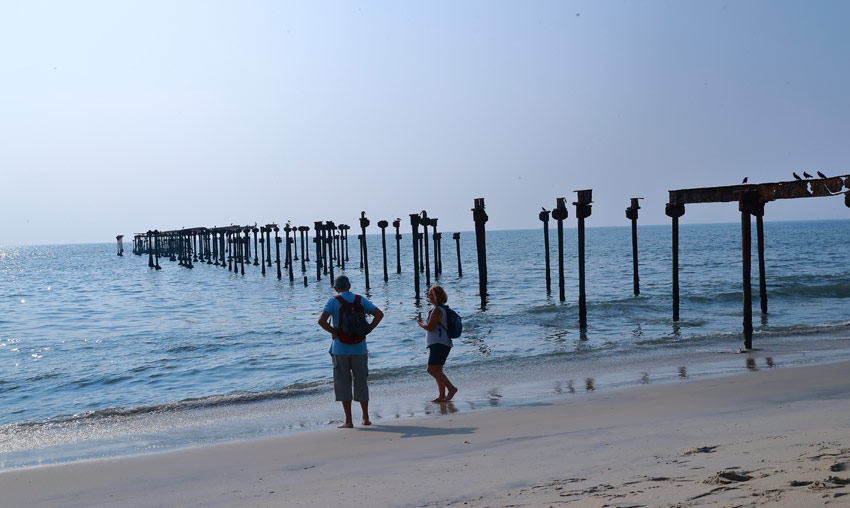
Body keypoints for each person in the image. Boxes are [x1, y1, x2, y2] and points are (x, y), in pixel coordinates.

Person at [318, 275, 383, 428]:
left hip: (340, 349)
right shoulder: (360, 300)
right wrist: (367, 330)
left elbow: (321, 321)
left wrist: (335, 331)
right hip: (360, 348)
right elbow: (379, 314)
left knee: (343, 383)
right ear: (350, 285)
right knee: (361, 381)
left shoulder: (333, 301)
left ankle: (348, 421)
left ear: (335, 288)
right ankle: (365, 418)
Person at [416, 285, 458, 402]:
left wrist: (420, 323)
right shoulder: (442, 309)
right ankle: (441, 395)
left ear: (435, 296)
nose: (428, 297)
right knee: (438, 371)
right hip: (442, 343)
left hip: (439, 343)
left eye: (430, 295)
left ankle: (451, 388)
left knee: (431, 370)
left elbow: (430, 327)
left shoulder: (438, 310)